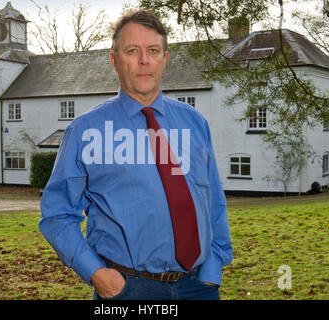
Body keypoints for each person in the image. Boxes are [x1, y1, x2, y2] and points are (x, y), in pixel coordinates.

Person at [39, 9, 232, 300]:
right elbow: (56, 214)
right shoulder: (85, 132)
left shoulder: (195, 123)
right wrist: (96, 273)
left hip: (199, 287)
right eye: (132, 51)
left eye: (153, 50)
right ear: (114, 59)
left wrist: (213, 268)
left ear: (165, 58)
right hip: (129, 289)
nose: (144, 61)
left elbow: (213, 202)